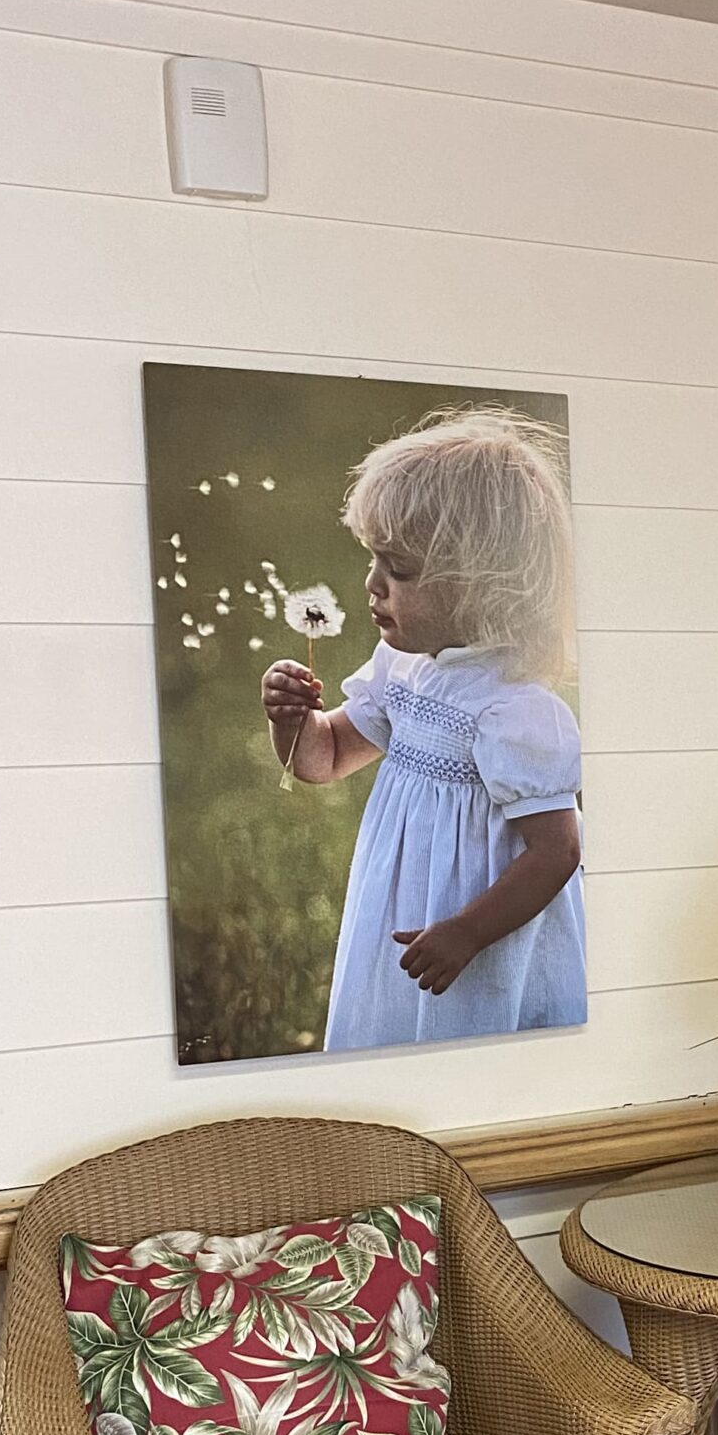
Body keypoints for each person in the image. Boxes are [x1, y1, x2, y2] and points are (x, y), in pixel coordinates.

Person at [260, 406, 587, 1048]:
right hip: (405, 914)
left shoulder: (514, 710)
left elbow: (557, 853)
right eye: (374, 559)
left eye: (399, 569)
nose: (372, 583)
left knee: (475, 1037)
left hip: (486, 932)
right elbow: (324, 760)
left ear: (484, 585)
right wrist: (293, 720)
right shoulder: (403, 667)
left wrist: (467, 932)